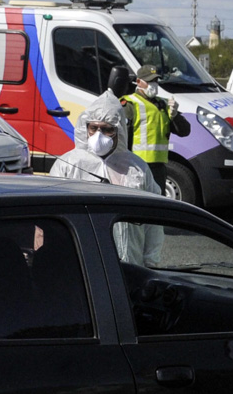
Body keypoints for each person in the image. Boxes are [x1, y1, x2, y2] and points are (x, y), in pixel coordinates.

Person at [51, 90, 163, 266]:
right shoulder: (68, 165)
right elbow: (52, 219)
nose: (98, 135)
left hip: (130, 265)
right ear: (85, 128)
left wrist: (151, 263)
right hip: (82, 264)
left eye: (107, 129)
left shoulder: (137, 168)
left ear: (119, 131)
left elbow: (154, 221)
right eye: (93, 128)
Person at [120, 64, 191, 190]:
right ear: (138, 82)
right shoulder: (130, 104)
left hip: (159, 168)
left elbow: (185, 131)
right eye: (149, 81)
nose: (154, 84)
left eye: (156, 81)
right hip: (137, 166)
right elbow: (123, 138)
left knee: (158, 205)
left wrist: (175, 116)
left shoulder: (164, 104)